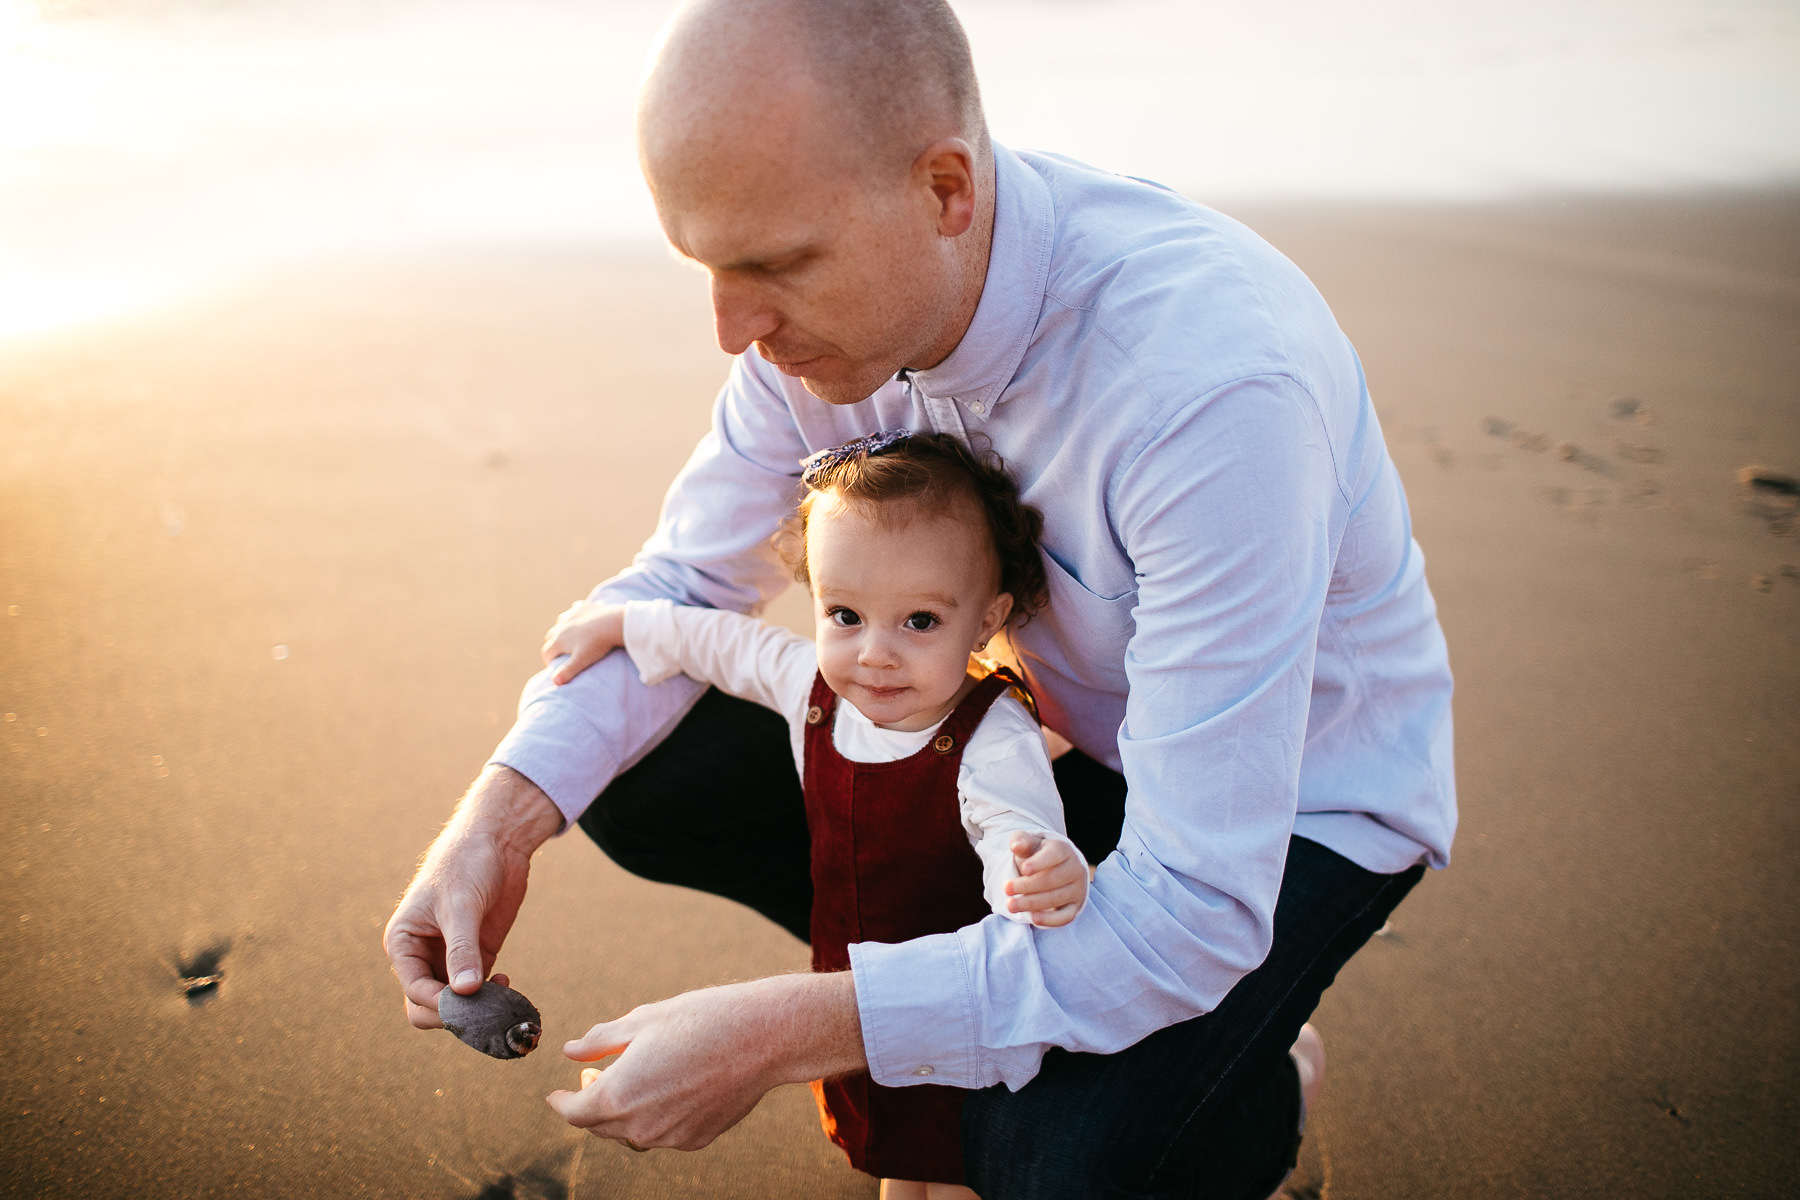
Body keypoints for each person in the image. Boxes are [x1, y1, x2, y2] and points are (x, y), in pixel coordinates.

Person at [382, 1, 1456, 1196]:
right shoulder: (816, 342)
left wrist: (784, 1032)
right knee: (630, 753)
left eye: (777, 265)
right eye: (708, 267)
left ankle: (1256, 1082)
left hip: (1292, 806)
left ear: (947, 189)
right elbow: (682, 586)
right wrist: (494, 822)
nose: (734, 329)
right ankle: (948, 981)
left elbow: (1190, 906)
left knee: (1039, 1160)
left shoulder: (1208, 391)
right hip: (1034, 746)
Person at [540, 430, 1090, 1198]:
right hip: (851, 978)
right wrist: (625, 623)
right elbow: (721, 641)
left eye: (920, 621)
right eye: (845, 613)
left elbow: (1014, 822)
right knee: (890, 1142)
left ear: (986, 617)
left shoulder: (991, 730)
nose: (875, 653)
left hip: (961, 993)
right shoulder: (813, 688)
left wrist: (1031, 868)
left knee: (959, 1161)